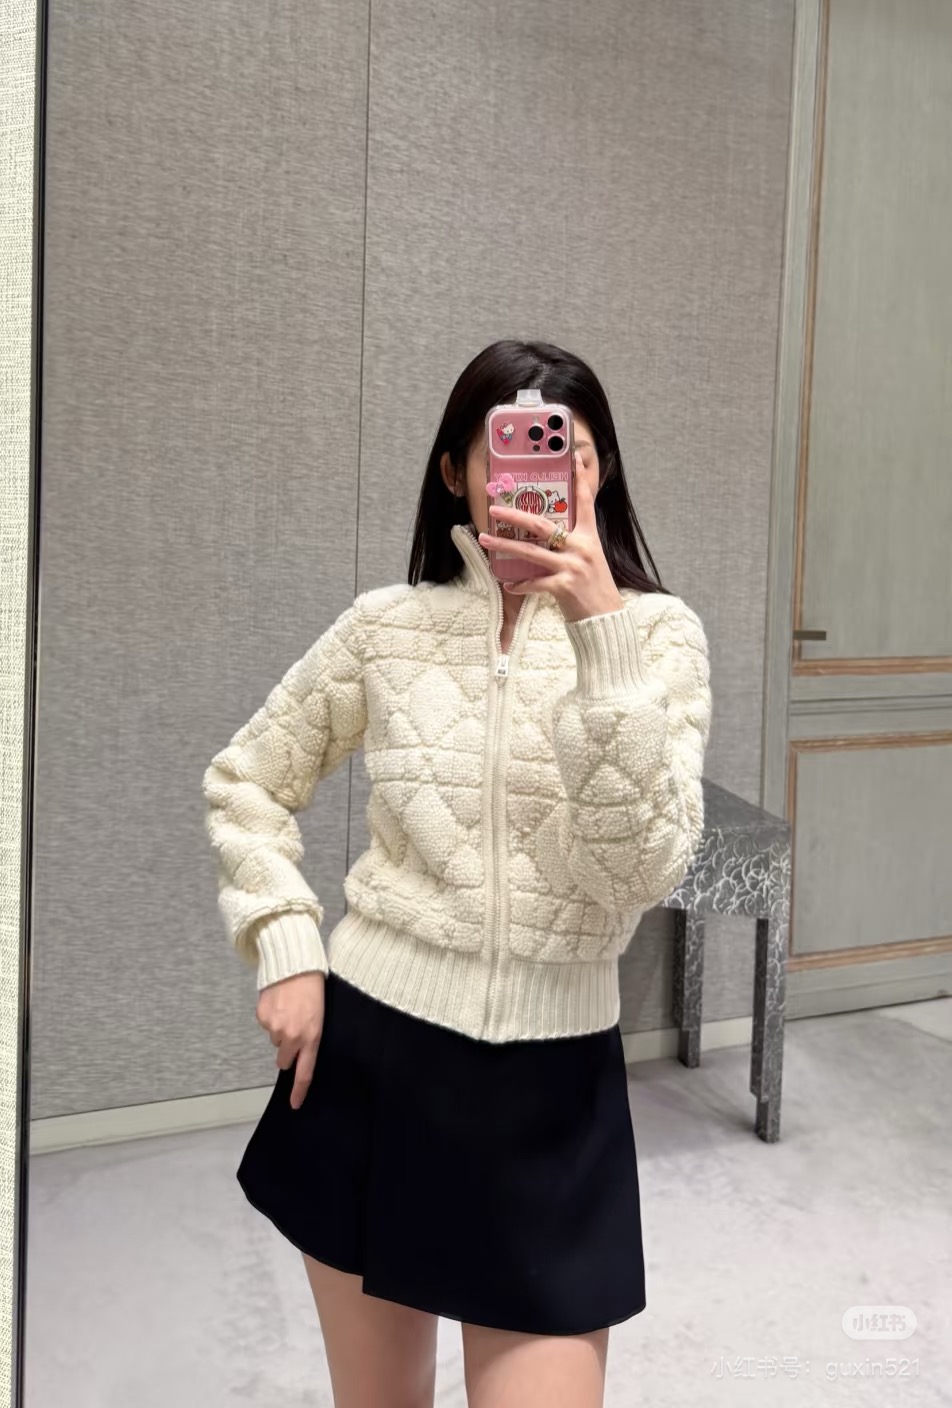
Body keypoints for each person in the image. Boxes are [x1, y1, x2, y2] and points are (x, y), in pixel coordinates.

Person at [202, 338, 713, 1408]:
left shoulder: (657, 639)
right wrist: (286, 947)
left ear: (599, 471)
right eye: (509, 453)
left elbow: (638, 872)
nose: (540, 478)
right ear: (455, 473)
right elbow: (248, 779)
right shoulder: (385, 628)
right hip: (375, 1062)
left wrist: (602, 636)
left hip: (553, 1094)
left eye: (567, 455)